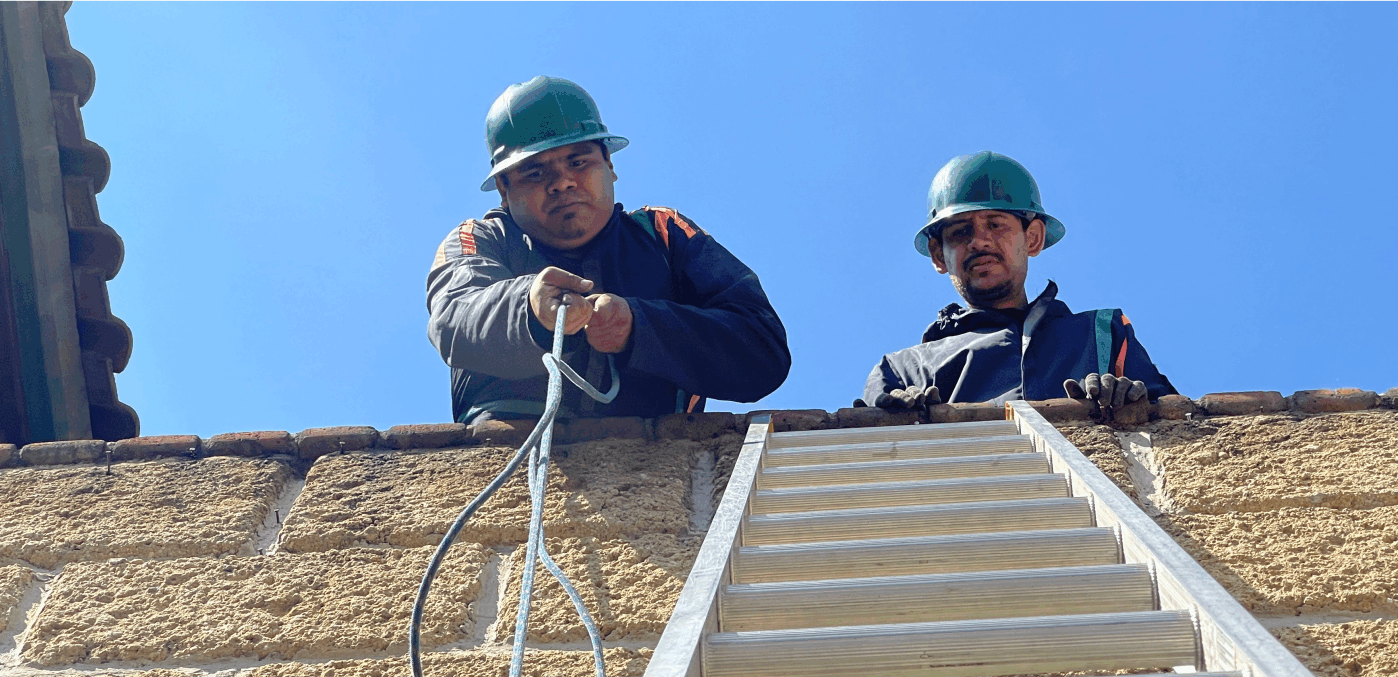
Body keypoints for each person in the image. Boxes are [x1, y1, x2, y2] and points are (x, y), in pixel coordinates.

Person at [427, 76, 791, 424]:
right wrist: (529, 307)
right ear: (505, 190)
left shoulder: (664, 234)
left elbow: (762, 351)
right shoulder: (479, 239)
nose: (562, 182)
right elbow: (453, 317)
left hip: (658, 463)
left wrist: (638, 326)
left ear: (609, 165)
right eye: (535, 173)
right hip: (506, 461)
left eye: (578, 161)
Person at [860, 151, 1175, 413]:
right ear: (938, 255)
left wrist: (1134, 402)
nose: (979, 241)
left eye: (995, 224)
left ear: (1033, 238)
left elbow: (1177, 428)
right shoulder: (903, 370)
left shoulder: (1102, 335)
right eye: (960, 232)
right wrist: (896, 425)